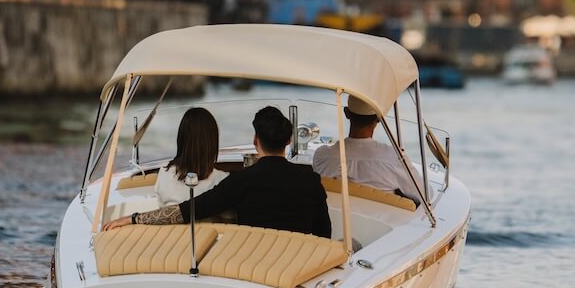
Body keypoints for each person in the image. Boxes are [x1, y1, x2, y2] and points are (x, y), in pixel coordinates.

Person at [105, 106, 331, 238]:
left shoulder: (240, 182)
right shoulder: (311, 180)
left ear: (255, 141)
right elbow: (325, 235)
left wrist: (134, 219)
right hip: (301, 263)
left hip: (255, 265)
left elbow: (188, 210)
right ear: (289, 140)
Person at [312, 96, 421, 203]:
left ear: (346, 113)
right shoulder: (394, 158)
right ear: (379, 118)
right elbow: (424, 195)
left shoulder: (321, 156)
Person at [154, 107, 229, 206]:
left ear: (181, 139)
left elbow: (160, 209)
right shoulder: (222, 181)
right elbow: (230, 218)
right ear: (212, 142)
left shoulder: (164, 173)